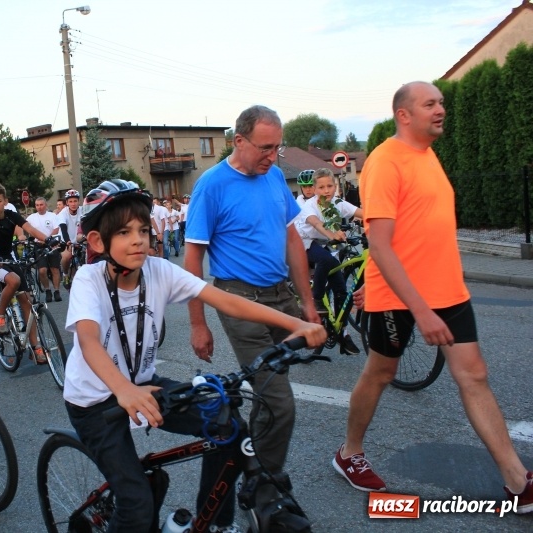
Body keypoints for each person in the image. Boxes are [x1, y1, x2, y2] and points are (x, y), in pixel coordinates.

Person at [63, 179, 325, 532]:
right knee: (137, 504)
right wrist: (123, 390)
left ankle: (215, 524)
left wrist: (295, 323)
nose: (139, 238)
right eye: (124, 232)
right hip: (95, 401)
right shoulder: (88, 279)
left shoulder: (159, 270)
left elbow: (227, 300)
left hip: (144, 386)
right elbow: (89, 339)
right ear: (98, 241)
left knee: (227, 423)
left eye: (143, 228)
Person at [332, 81, 532, 513]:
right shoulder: (386, 161)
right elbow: (381, 244)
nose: (441, 109)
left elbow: (420, 229)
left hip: (447, 289)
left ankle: (517, 480)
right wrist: (420, 311)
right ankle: (349, 453)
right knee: (381, 373)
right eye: (430, 104)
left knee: (473, 375)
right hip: (400, 297)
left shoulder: (427, 155)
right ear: (404, 114)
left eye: (441, 102)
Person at [184, 104, 319, 481]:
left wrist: (307, 304)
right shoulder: (211, 185)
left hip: (281, 297)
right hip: (240, 302)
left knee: (270, 388)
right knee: (280, 401)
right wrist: (198, 324)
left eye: (277, 147)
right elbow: (192, 261)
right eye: (265, 148)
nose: (273, 157)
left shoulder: (274, 176)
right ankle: (266, 482)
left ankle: (250, 454)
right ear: (238, 140)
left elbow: (292, 238)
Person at [0, 183, 53, 363]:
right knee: (14, 280)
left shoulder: (11, 215)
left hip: (8, 257)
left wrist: (50, 240)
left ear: (5, 202)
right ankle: (1, 315)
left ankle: (36, 348)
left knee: (27, 300)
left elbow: (31, 230)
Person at [294, 168, 363, 354]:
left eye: (330, 186)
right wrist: (332, 234)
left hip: (328, 244)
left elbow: (360, 212)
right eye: (321, 187)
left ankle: (340, 331)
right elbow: (317, 223)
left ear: (335, 186)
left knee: (341, 291)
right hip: (307, 244)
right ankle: (316, 300)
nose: (326, 190)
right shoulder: (309, 205)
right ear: (315, 190)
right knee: (326, 261)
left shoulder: (338, 203)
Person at [26, 197, 62, 302]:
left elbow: (56, 229)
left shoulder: (52, 216)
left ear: (46, 205)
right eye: (37, 205)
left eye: (41, 205)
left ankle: (56, 291)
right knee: (42, 271)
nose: (39, 207)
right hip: (39, 246)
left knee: (54, 269)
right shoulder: (31, 218)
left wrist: (48, 240)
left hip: (52, 245)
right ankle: (47, 290)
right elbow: (24, 227)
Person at [58, 189, 82, 288]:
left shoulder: (83, 211)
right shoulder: (63, 213)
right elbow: (63, 229)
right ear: (67, 203)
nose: (73, 204)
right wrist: (68, 242)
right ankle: (65, 274)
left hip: (80, 240)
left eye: (75, 201)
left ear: (78, 201)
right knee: (66, 257)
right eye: (70, 201)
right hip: (66, 240)